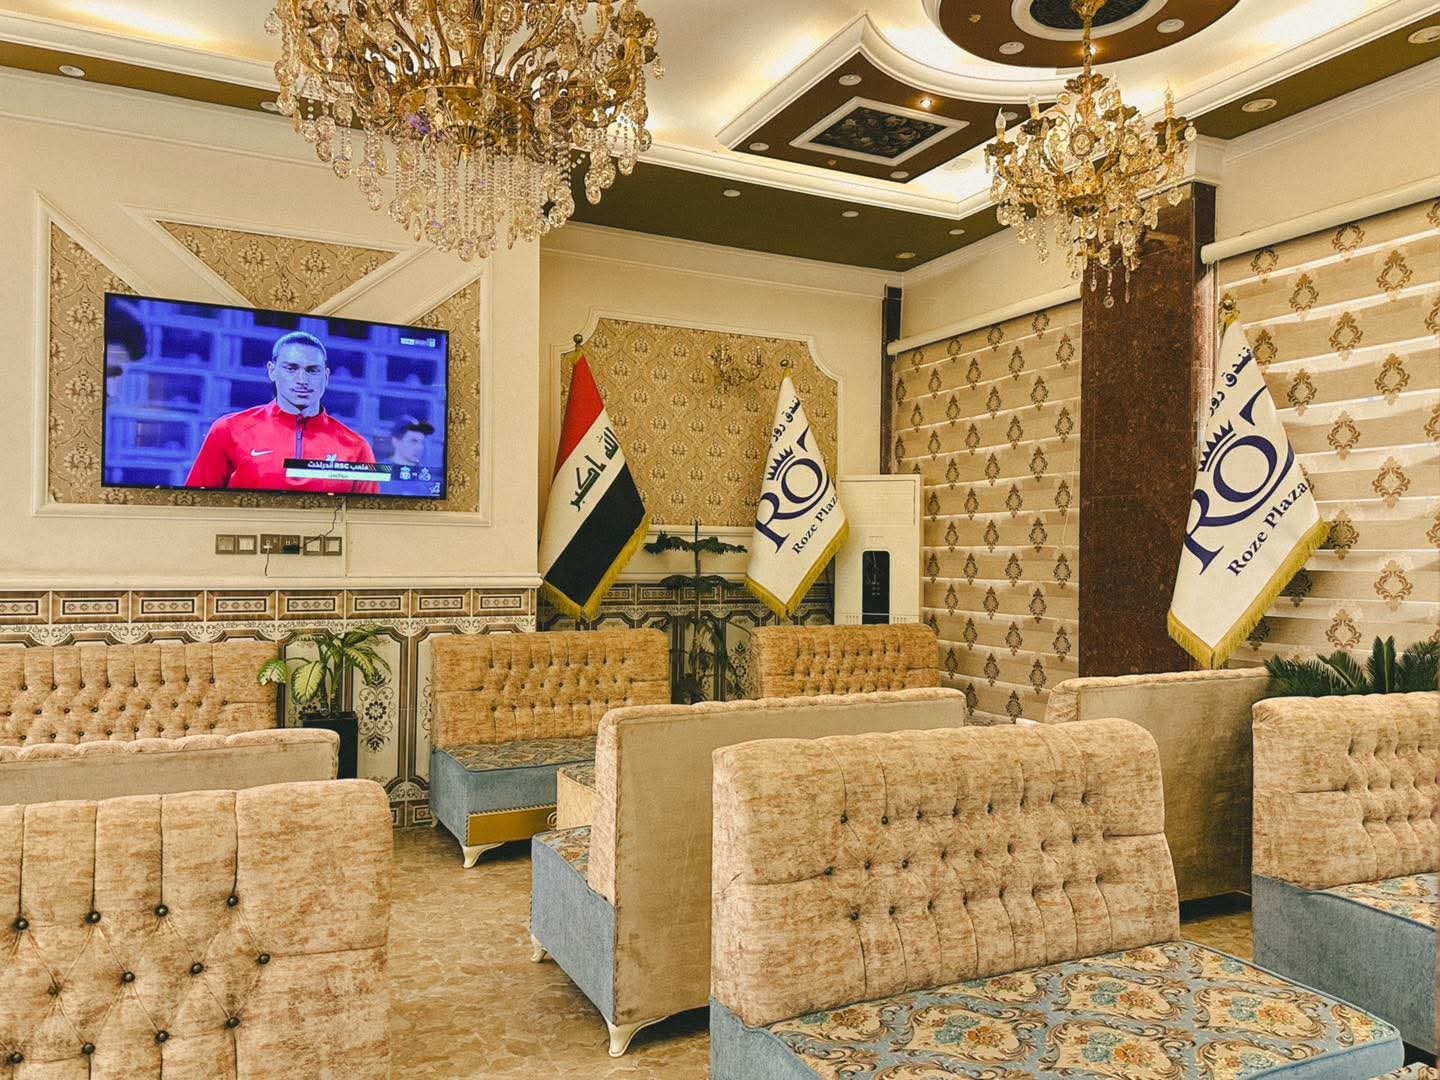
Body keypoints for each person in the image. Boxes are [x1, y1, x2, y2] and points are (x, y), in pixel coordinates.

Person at [186, 331, 380, 494]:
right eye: (291, 368)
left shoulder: (357, 447)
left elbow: (367, 519)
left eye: (312, 370)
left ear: (326, 376)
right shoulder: (228, 430)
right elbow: (195, 504)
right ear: (272, 371)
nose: (302, 380)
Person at [382, 415, 442, 498]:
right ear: (396, 442)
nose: (420, 447)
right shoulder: (379, 470)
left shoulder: (426, 474)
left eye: (422, 442)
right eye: (413, 441)